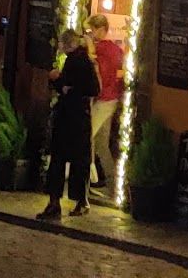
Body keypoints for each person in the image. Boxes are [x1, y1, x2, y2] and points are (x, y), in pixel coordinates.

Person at [38, 27, 100, 221]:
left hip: (70, 117)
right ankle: (79, 201)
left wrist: (60, 83)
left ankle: (56, 203)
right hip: (79, 118)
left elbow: (80, 88)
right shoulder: (85, 61)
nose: (59, 46)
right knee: (78, 162)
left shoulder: (75, 61)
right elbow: (92, 88)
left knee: (60, 160)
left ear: (68, 44)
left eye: (61, 43)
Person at [85, 12, 124, 197]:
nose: (90, 34)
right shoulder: (116, 49)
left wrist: (90, 48)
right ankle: (113, 184)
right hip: (113, 98)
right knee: (101, 143)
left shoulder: (100, 49)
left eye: (92, 30)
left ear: (101, 30)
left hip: (103, 99)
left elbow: (98, 73)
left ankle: (87, 179)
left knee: (86, 136)